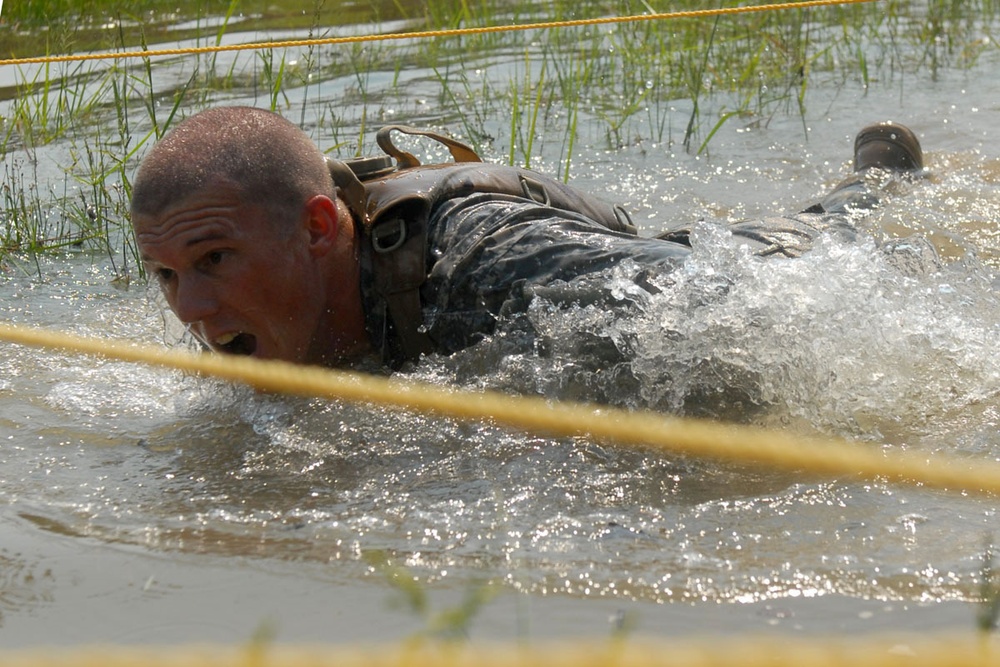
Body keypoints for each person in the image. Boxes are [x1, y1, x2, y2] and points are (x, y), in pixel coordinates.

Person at [129, 106, 924, 375]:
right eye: (164, 276)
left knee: (843, 225)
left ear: (316, 229)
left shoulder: (485, 258)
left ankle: (880, 175)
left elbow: (713, 300)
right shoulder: (255, 323)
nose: (191, 310)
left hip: (750, 257)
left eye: (213, 261)